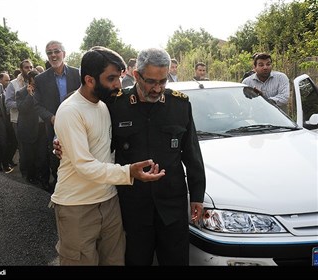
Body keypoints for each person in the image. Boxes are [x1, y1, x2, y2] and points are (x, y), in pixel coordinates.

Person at [54, 48, 206, 266]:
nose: (158, 89)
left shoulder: (179, 105)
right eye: (151, 82)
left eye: (163, 81)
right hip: (132, 208)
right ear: (136, 76)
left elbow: (192, 154)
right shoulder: (115, 105)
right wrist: (60, 144)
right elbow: (94, 139)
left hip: (171, 204)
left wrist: (198, 196)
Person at [33, 40, 81, 192]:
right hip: (54, 129)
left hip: (77, 127)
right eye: (49, 53)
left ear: (64, 54)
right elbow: (37, 105)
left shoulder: (78, 74)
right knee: (57, 163)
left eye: (56, 51)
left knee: (78, 160)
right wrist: (51, 118)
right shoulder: (40, 79)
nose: (53, 55)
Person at [16, 69, 50, 189]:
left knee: (43, 156)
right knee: (29, 157)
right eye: (34, 83)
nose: (37, 85)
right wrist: (30, 96)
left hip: (43, 128)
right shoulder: (21, 93)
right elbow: (22, 109)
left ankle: (44, 180)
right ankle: (31, 178)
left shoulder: (45, 91)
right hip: (29, 129)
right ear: (29, 82)